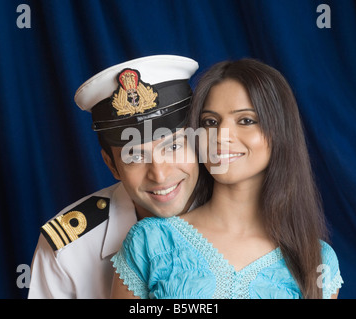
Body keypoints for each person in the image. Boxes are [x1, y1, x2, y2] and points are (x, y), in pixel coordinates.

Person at [110, 58, 344, 299]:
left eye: (246, 120)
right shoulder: (150, 242)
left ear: (279, 132)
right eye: (210, 122)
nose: (221, 136)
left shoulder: (317, 260)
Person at [28, 55, 200, 298]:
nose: (160, 175)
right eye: (135, 157)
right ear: (112, 165)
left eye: (173, 147)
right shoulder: (68, 249)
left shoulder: (246, 212)